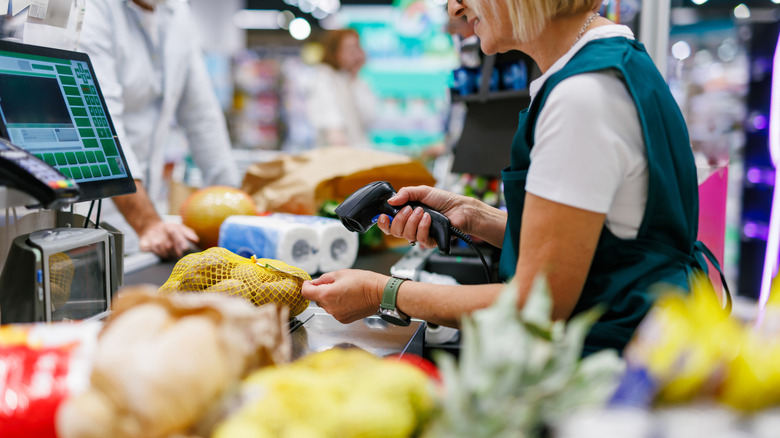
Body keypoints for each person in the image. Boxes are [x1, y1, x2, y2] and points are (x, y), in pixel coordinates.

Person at [302, 0, 726, 355]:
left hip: (611, 362)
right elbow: (604, 247)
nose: (454, 7)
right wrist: (476, 215)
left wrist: (383, 293)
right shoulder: (615, 63)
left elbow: (535, 302)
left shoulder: (581, 98)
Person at [79, 0, 241, 259]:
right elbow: (100, 122)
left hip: (147, 220)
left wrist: (237, 213)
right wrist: (146, 221)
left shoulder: (177, 12)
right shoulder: (92, 9)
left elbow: (202, 117)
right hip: (91, 218)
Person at [306, 28, 377, 148]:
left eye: (357, 47)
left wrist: (355, 77)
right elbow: (330, 119)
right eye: (349, 48)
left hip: (357, 151)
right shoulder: (324, 77)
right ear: (335, 51)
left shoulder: (354, 80)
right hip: (339, 154)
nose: (355, 53)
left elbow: (368, 117)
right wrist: (336, 135)